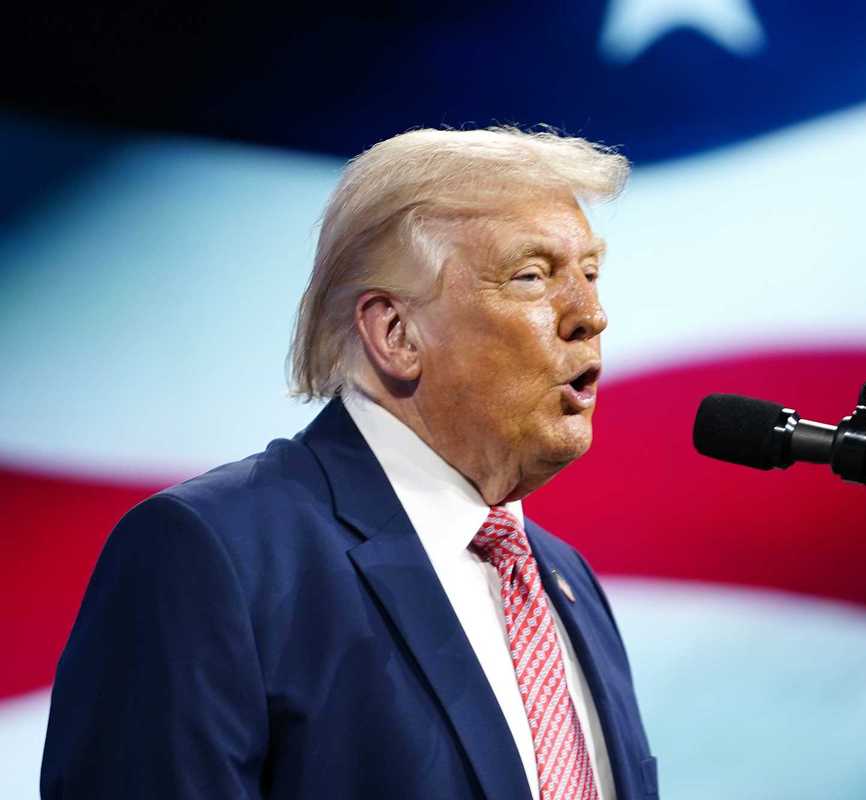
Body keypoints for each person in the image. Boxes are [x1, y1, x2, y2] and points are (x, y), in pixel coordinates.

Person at [40, 127, 656, 799]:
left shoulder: (561, 578)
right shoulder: (213, 555)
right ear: (396, 333)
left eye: (590, 273)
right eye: (532, 276)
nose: (591, 315)